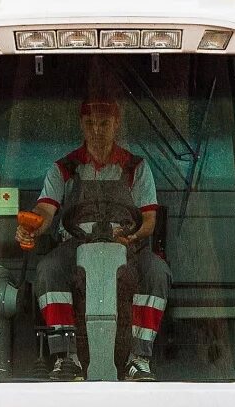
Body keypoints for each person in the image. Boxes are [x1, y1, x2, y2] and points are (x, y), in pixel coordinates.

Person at [16, 70, 170, 379]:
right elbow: (46, 210)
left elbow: (149, 220)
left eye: (103, 123)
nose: (97, 130)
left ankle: (139, 359)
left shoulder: (137, 168)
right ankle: (66, 357)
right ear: (81, 126)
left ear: (116, 124)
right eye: (90, 123)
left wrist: (132, 235)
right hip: (76, 246)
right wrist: (32, 226)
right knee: (48, 270)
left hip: (127, 246)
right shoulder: (63, 168)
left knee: (156, 272)